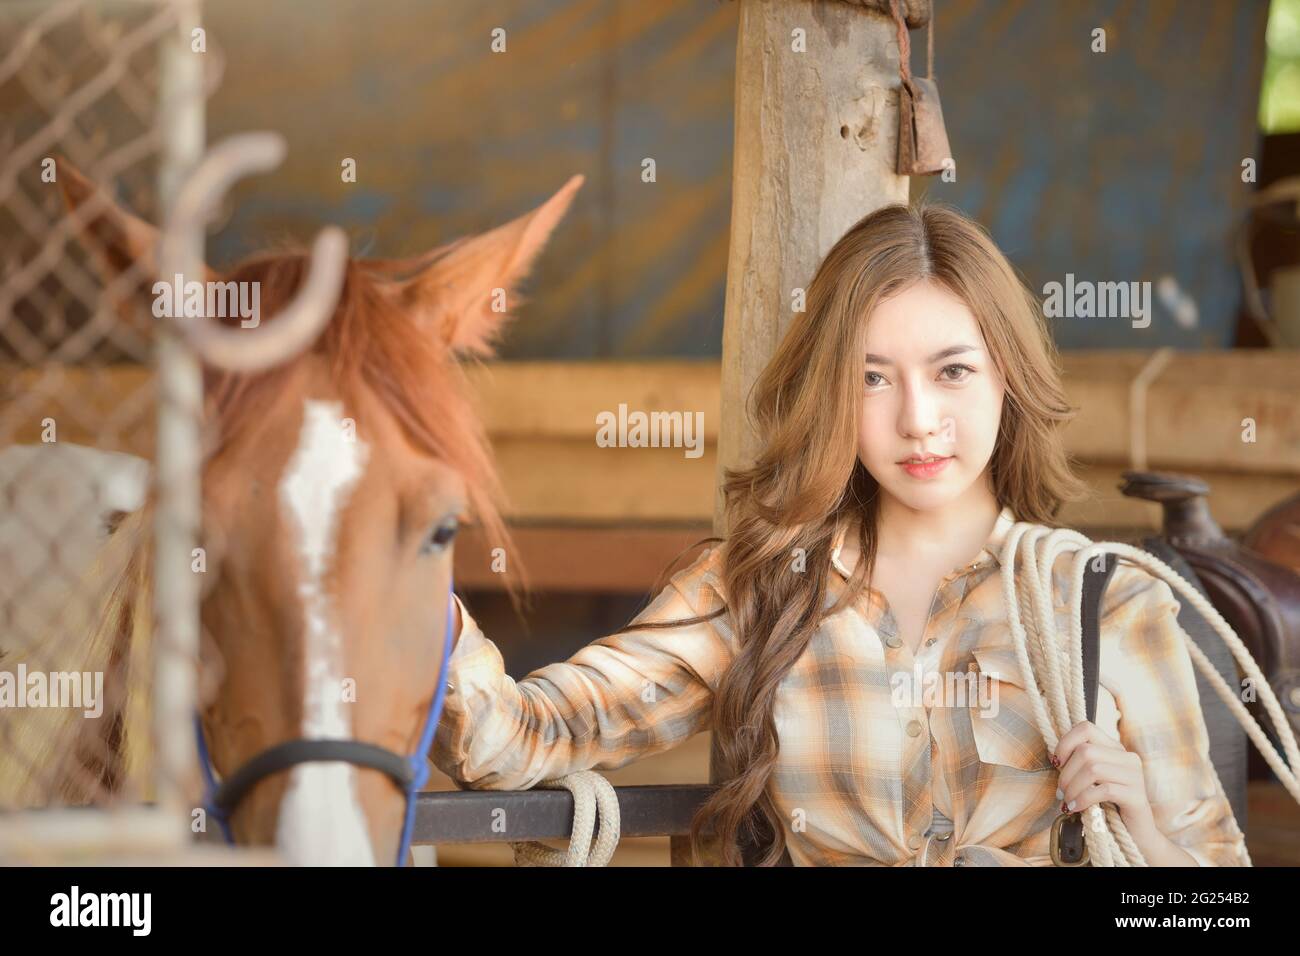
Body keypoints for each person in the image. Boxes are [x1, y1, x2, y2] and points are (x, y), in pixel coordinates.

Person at [430, 202, 1249, 867]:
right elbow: (520, 739)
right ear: (832, 395)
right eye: (872, 378)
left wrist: (1141, 826)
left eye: (952, 370)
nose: (918, 420)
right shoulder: (757, 588)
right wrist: (411, 574)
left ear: (1009, 376)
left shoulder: (1101, 602)